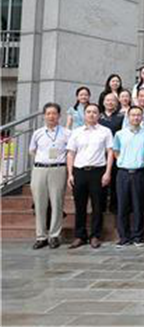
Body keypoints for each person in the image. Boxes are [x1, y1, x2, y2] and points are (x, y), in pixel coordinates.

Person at [66, 103, 114, 249]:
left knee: (97, 205)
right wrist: (70, 174)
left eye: (94, 112)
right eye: (88, 112)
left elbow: (110, 152)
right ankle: (80, 235)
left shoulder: (105, 131)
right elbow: (70, 153)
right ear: (84, 115)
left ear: (99, 115)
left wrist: (107, 172)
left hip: (98, 171)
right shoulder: (76, 132)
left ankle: (95, 235)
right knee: (80, 205)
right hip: (79, 171)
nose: (91, 114)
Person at [29, 103, 71, 250]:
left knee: (57, 202)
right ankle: (41, 236)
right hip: (39, 169)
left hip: (58, 169)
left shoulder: (66, 133)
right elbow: (32, 150)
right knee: (39, 203)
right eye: (48, 113)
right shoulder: (38, 133)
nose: (51, 116)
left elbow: (70, 151)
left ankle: (54, 235)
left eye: (54, 113)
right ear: (44, 116)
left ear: (59, 116)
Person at [112, 106, 144, 248]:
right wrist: (123, 161)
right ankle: (124, 237)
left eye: (138, 115)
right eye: (133, 115)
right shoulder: (120, 134)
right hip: (123, 173)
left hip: (140, 173)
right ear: (128, 117)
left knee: (138, 205)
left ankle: (138, 236)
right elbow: (116, 151)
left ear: (142, 117)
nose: (136, 117)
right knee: (122, 206)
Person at [98, 93, 123, 213]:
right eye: (107, 100)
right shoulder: (98, 116)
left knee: (115, 180)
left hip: (116, 152)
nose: (110, 102)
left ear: (117, 103)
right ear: (103, 102)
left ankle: (114, 206)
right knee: (100, 180)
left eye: (112, 100)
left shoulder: (121, 117)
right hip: (100, 153)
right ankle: (101, 206)